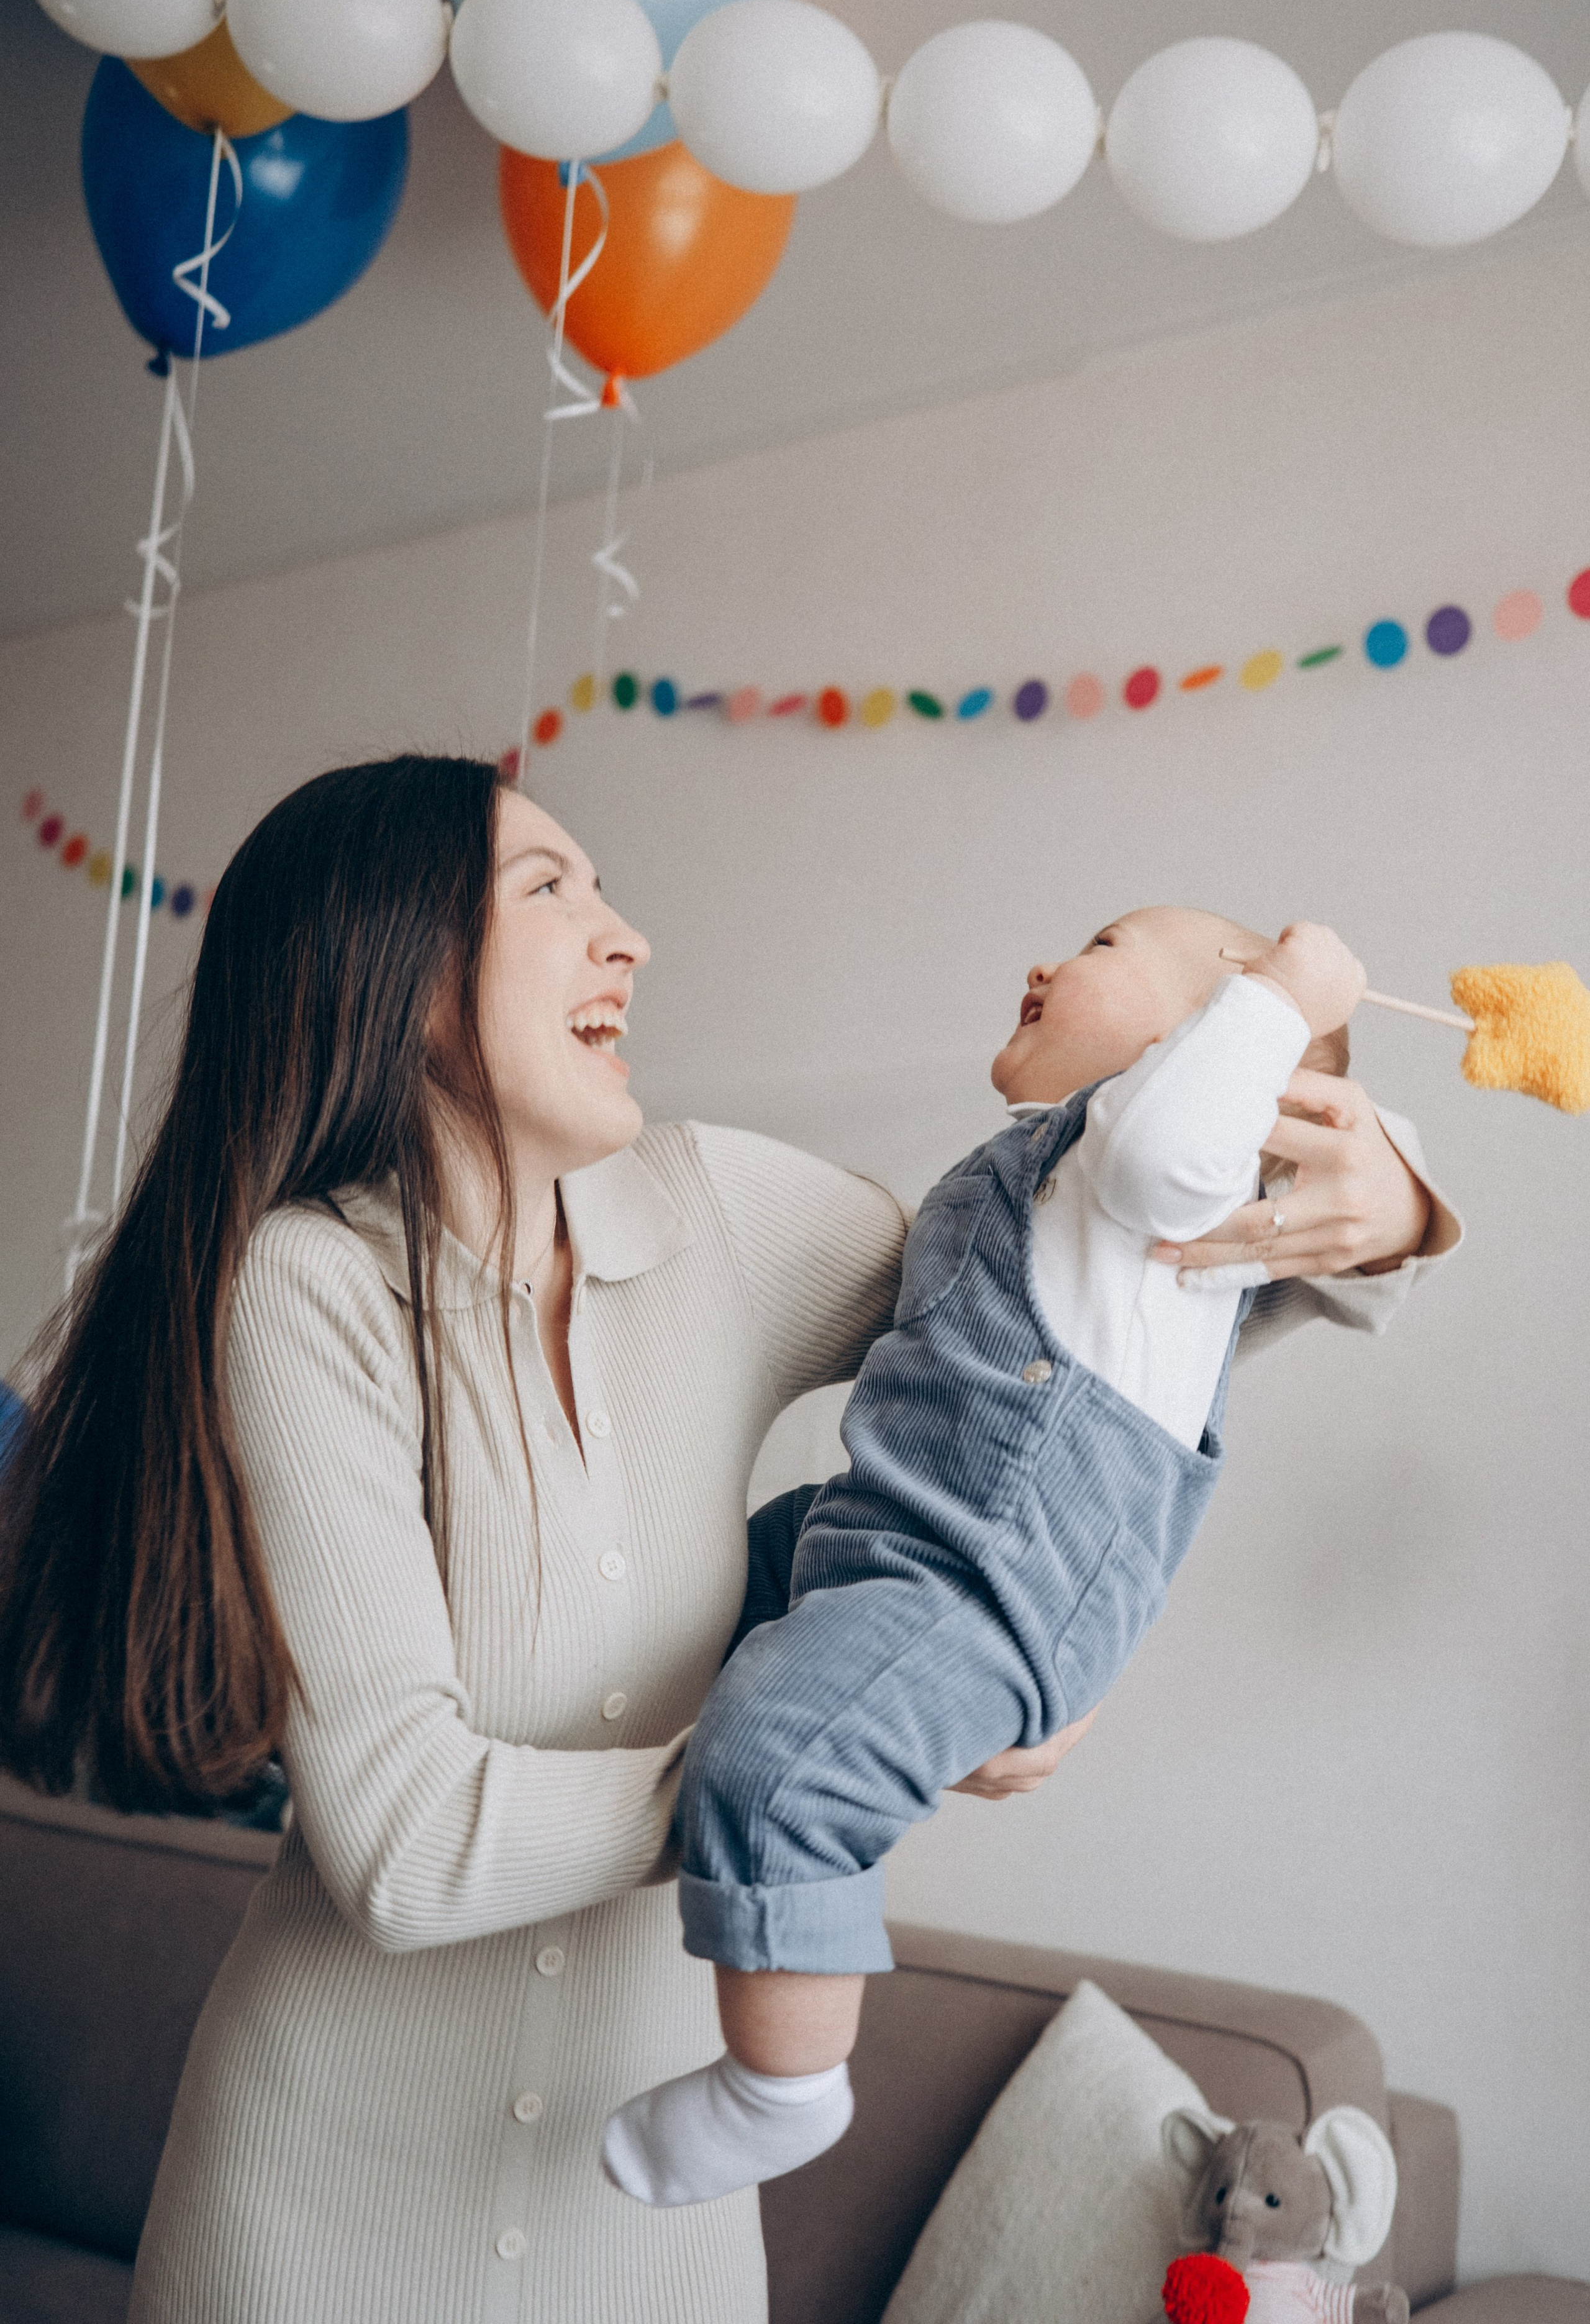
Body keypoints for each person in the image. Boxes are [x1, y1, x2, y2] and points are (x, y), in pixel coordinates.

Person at [0, 763, 1454, 2324]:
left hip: (656, 2242)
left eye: (606, 889)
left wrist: (1396, 1212)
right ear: (389, 966)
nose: (625, 939)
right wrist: (835, 1747)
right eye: (549, 891)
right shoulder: (309, 1290)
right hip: (319, 2230)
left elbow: (1071, 1304)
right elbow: (405, 1847)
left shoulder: (720, 1215)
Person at [600, 912, 1414, 2210]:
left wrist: (1287, 993)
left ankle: (781, 2091)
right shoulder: (1045, 1168)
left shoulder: (1170, 1175)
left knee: (777, 1750)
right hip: (891, 1526)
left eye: (1104, 942)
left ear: (1203, 1046)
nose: (1045, 960)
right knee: (716, 1578)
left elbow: (1241, 1153)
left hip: (994, 1577)